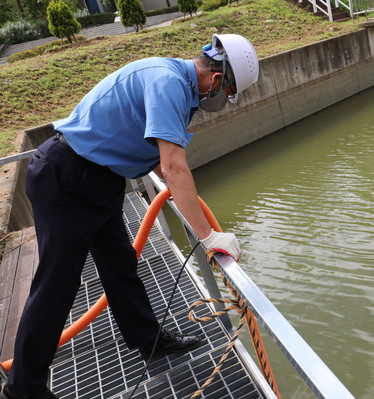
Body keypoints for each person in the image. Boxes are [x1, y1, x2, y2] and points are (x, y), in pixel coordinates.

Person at [0, 33, 259, 399]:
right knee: (57, 286)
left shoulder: (173, 81)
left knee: (121, 265)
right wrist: (208, 236)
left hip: (96, 180)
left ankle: (147, 338)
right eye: (227, 92)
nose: (220, 99)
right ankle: (23, 389)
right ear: (217, 80)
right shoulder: (168, 82)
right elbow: (173, 167)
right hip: (69, 178)